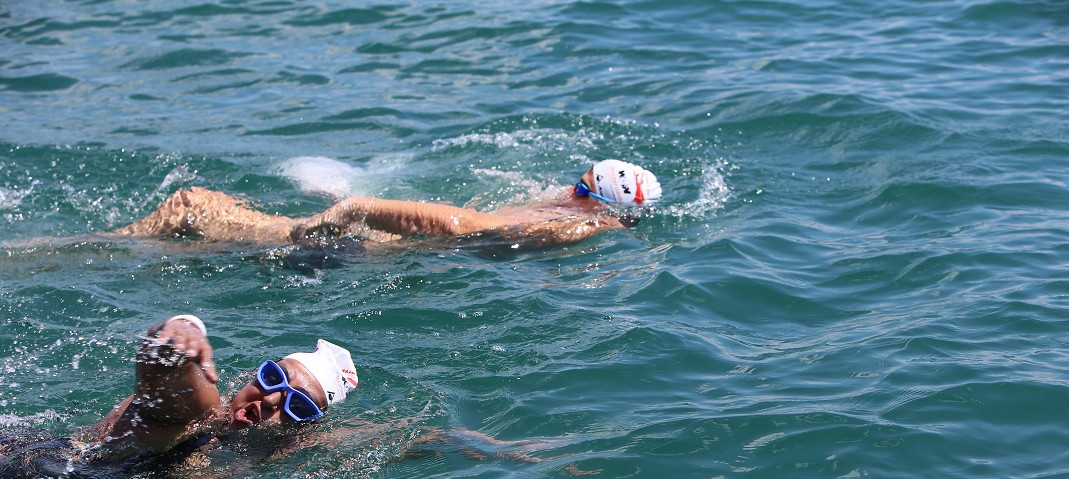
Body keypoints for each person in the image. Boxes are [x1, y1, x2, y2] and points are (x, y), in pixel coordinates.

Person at [0, 313, 358, 479]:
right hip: (22, 475)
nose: (270, 400)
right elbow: (166, 367)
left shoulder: (285, 453)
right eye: (272, 378)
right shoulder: (199, 415)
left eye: (298, 407)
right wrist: (182, 332)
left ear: (305, 429)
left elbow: (383, 438)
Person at [114, 159, 662, 248]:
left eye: (580, 184)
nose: (569, 187)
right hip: (372, 247)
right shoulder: (579, 221)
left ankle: (72, 252)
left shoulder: (566, 224)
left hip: (354, 249)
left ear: (591, 201)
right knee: (199, 231)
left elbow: (463, 225)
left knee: (192, 205)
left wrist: (358, 207)